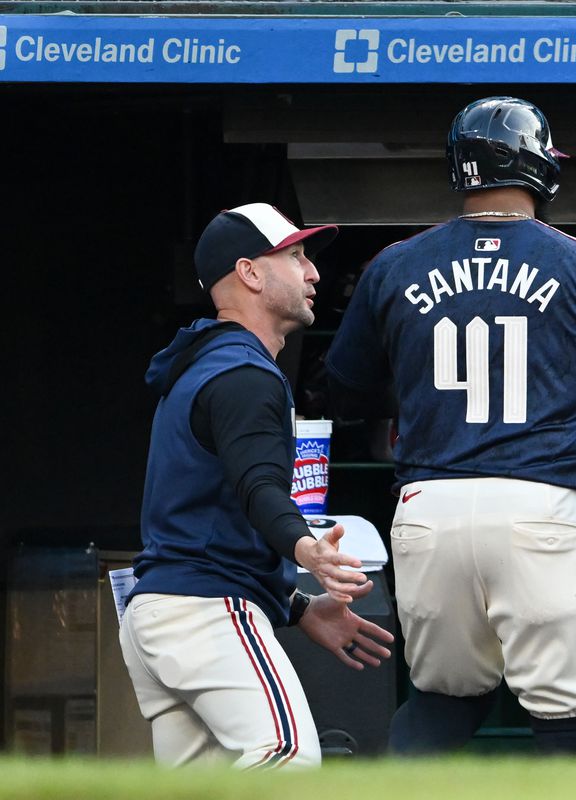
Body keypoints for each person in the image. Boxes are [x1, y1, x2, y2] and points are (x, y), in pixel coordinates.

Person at [324, 96, 576, 755]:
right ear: (539, 166)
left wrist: (417, 377)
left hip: (427, 507)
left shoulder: (393, 264)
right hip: (541, 505)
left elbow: (343, 392)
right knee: (565, 718)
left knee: (440, 705)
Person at [120, 203, 395, 769]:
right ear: (249, 272)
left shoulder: (207, 361)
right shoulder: (243, 373)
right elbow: (259, 487)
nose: (313, 272)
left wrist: (296, 606)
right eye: (295, 257)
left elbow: (211, 517)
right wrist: (306, 549)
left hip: (161, 612)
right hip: (206, 613)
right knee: (289, 757)